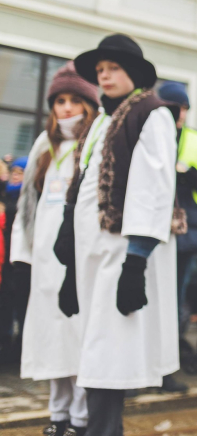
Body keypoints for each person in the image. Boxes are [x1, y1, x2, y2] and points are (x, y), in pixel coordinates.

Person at [60, 34, 180, 436]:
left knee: (109, 356)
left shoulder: (151, 113)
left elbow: (154, 189)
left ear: (132, 73)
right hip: (93, 255)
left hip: (122, 253)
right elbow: (83, 183)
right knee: (96, 353)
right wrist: (67, 246)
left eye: (112, 68)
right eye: (100, 71)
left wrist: (136, 260)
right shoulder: (101, 121)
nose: (105, 76)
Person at [9, 62, 99, 436]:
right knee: (49, 339)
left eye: (73, 100)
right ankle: (57, 415)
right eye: (59, 100)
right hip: (45, 258)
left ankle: (80, 417)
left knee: (76, 338)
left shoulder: (92, 140)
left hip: (76, 256)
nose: (65, 107)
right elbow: (28, 201)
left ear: (87, 103)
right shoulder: (44, 144)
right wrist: (23, 251)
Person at [157, 81, 197, 390]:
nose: (178, 113)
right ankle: (144, 367)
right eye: (172, 107)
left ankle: (166, 370)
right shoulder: (150, 135)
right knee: (149, 300)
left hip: (185, 234)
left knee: (174, 302)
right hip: (153, 230)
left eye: (182, 108)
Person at [0, 157, 27, 362]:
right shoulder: (5, 196)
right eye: (14, 171)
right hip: (5, 262)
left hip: (20, 261)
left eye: (21, 171)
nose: (16, 174)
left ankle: (18, 350)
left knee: (19, 305)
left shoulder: (27, 199)